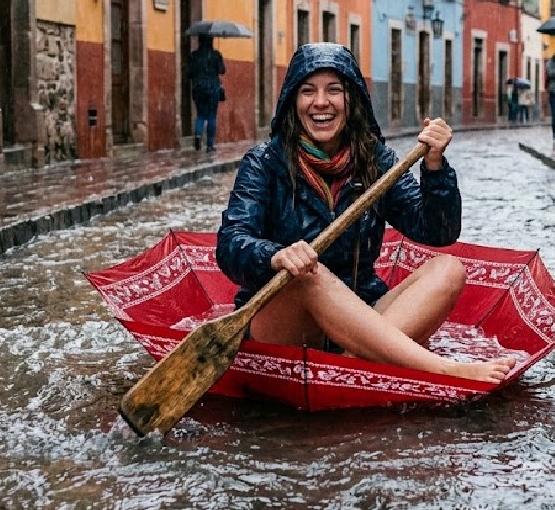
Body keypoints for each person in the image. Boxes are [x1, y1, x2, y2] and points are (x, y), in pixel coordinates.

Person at [216, 42, 515, 385]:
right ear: (292, 102)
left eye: (334, 91)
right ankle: (438, 369)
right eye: (307, 91)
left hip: (363, 314)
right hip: (283, 324)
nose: (321, 102)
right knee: (307, 271)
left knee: (449, 269)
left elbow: (437, 231)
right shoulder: (264, 163)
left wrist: (434, 168)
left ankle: (352, 363)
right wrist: (277, 255)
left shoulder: (378, 162)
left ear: (352, 100)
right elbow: (230, 244)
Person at [187, 34, 226, 152]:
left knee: (200, 115)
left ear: (199, 41)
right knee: (211, 116)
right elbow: (222, 70)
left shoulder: (194, 55)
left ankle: (198, 136)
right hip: (213, 89)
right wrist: (218, 59)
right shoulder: (215, 55)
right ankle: (209, 145)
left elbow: (188, 73)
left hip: (199, 89)